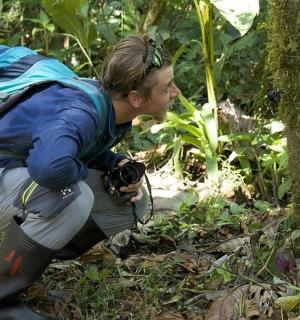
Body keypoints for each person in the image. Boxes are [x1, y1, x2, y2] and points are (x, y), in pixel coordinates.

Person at [0, 34, 180, 319]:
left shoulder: (102, 106)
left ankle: (24, 268)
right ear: (135, 97)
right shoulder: (80, 113)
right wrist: (86, 172)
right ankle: (3, 300)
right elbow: (48, 167)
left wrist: (112, 163)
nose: (175, 92)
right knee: (75, 198)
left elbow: (69, 147)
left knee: (128, 201)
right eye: (167, 86)